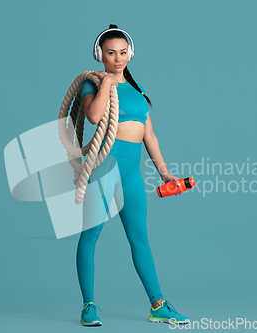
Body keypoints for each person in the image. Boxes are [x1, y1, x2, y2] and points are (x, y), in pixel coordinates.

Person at [76, 24, 190, 327]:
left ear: (131, 53)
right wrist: (106, 84)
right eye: (111, 53)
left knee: (140, 238)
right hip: (104, 168)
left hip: (131, 174)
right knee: (91, 236)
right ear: (99, 54)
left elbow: (149, 134)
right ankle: (89, 306)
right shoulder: (93, 84)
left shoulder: (137, 90)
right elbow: (93, 116)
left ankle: (158, 305)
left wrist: (164, 172)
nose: (118, 58)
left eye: (123, 52)